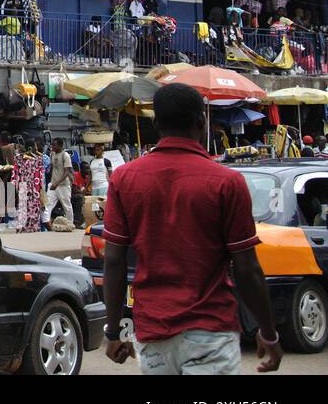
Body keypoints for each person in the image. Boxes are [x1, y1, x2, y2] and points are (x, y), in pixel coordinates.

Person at [102, 83, 283, 375]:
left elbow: (113, 260)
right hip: (210, 330)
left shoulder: (124, 178)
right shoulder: (226, 182)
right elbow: (247, 267)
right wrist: (268, 332)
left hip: (153, 333)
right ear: (202, 122)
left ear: (156, 123)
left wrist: (113, 332)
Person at [43, 139, 73, 228]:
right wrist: (51, 181)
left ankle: (70, 224)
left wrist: (57, 183)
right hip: (53, 184)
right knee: (48, 204)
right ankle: (47, 225)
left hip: (63, 185)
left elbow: (66, 172)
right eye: (52, 145)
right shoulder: (52, 154)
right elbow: (52, 168)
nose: (52, 147)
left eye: (54, 145)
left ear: (60, 146)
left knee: (66, 206)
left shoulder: (65, 155)